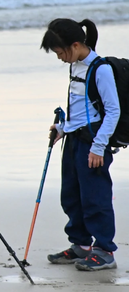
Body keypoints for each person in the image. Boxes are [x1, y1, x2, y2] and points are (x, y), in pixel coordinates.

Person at [40, 18, 120, 270]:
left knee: (95, 197)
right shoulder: (75, 66)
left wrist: (98, 146)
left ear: (75, 45)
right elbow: (81, 106)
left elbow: (112, 110)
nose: (59, 57)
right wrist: (63, 128)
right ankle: (81, 245)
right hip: (74, 139)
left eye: (60, 52)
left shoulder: (101, 69)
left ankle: (105, 250)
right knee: (71, 195)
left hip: (93, 142)